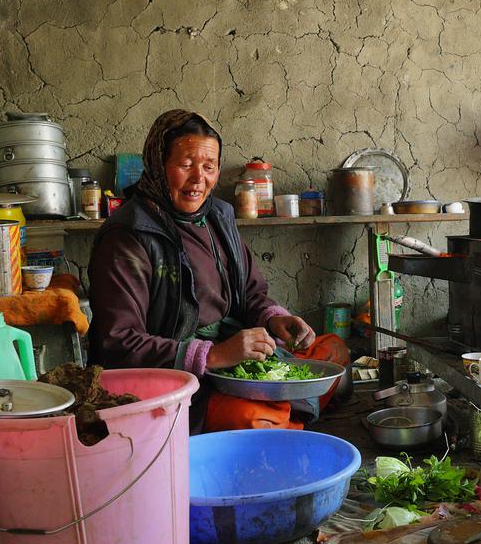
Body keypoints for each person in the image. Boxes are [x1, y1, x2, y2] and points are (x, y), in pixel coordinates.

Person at [88, 109, 348, 430]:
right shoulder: (128, 236)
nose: (199, 179)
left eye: (209, 167)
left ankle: (281, 414)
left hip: (233, 359)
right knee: (252, 419)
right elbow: (120, 343)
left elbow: (252, 292)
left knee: (333, 351)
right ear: (157, 165)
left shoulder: (217, 219)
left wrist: (274, 318)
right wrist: (212, 356)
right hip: (180, 380)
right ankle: (278, 417)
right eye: (185, 165)